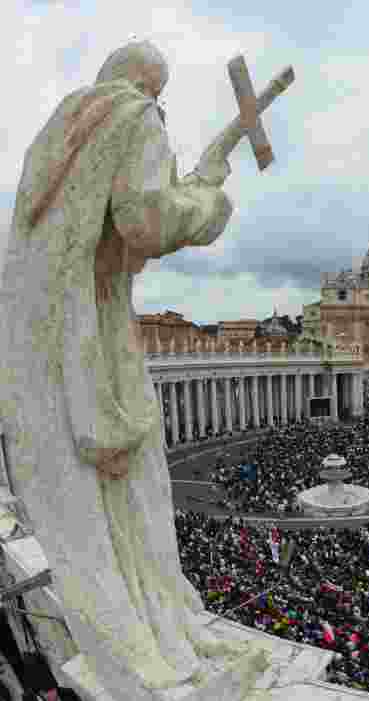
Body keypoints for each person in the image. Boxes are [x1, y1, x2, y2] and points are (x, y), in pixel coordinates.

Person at [0, 41, 269, 700]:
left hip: (39, 351)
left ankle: (132, 633)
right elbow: (146, 219)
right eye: (161, 95)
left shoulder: (55, 140)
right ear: (147, 86)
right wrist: (207, 187)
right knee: (141, 499)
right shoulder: (134, 116)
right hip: (97, 348)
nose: (162, 108)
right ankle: (157, 640)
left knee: (90, 518)